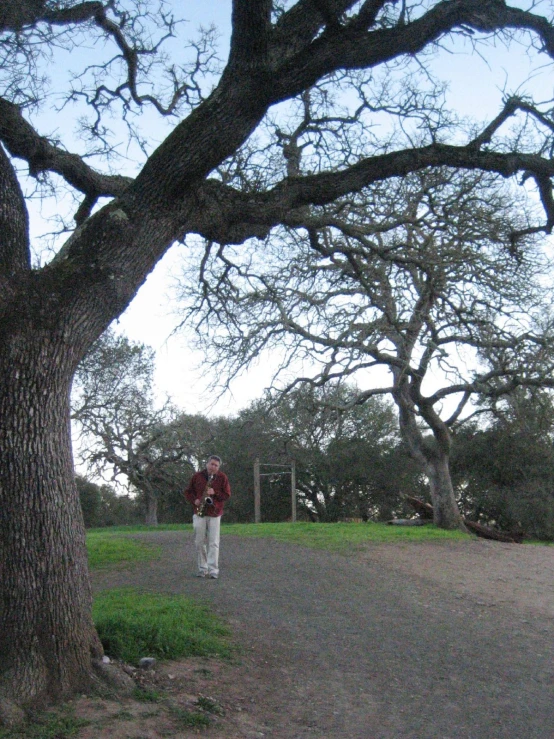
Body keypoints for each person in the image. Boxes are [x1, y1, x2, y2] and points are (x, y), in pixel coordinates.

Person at [184, 455, 231, 579]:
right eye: (212, 464)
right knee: (199, 542)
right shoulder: (197, 477)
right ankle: (202, 568)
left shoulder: (222, 477)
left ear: (218, 467)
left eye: (216, 465)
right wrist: (195, 500)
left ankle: (213, 570)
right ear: (207, 464)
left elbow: (227, 495)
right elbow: (188, 492)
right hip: (200, 512)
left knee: (213, 542)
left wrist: (215, 493)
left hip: (215, 513)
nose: (213, 467)